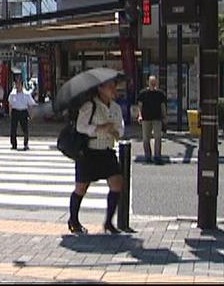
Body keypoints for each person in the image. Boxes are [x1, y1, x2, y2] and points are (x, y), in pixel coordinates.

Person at [67, 78, 124, 235]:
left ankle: (108, 222)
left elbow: (120, 128)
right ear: (100, 88)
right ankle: (74, 220)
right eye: (110, 86)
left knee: (117, 183)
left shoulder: (116, 108)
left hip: (107, 150)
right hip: (89, 152)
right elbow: (81, 126)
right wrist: (100, 127)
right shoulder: (90, 105)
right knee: (81, 188)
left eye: (114, 86)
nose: (113, 90)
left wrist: (115, 132)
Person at [137, 75, 168, 165]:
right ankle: (147, 156)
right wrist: (139, 115)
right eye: (151, 82)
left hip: (157, 118)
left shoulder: (160, 93)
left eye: (154, 82)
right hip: (146, 118)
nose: (153, 84)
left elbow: (163, 106)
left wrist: (165, 116)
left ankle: (157, 156)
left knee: (158, 137)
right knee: (146, 138)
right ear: (148, 82)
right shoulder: (143, 93)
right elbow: (140, 106)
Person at [8, 77, 37, 150]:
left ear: (22, 85)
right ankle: (14, 144)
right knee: (13, 129)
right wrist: (10, 112)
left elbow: (31, 105)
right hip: (15, 111)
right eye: (16, 84)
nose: (17, 86)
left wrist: (31, 114)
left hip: (23, 111)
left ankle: (26, 144)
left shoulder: (26, 94)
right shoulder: (12, 94)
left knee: (25, 129)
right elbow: (10, 104)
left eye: (19, 84)